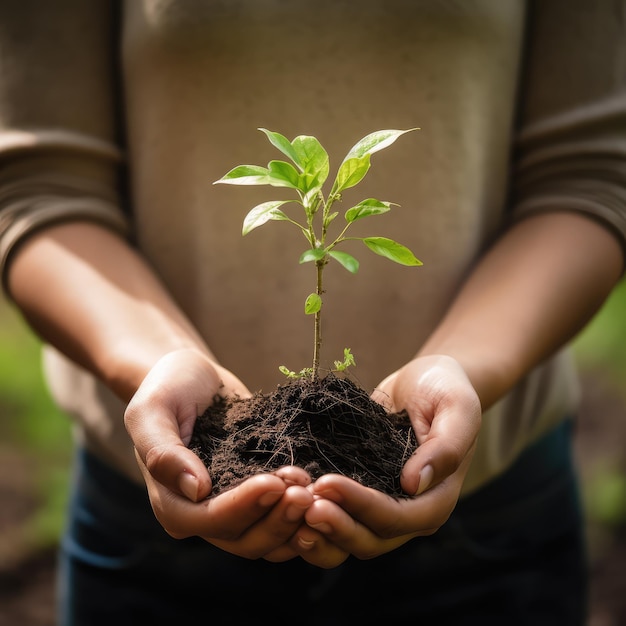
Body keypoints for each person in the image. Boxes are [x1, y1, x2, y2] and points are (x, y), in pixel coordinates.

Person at [0, 0, 624, 624]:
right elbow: (37, 184)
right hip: (154, 518)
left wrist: (465, 366)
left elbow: (591, 174)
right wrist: (154, 363)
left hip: (493, 520)